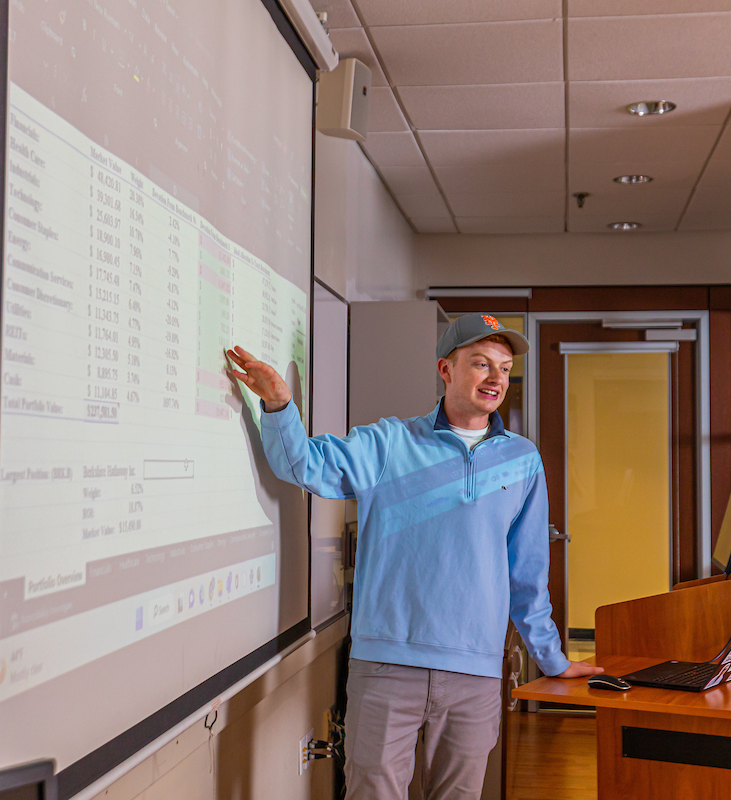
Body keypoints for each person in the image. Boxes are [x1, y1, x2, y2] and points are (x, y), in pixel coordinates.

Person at [226, 312, 601, 800]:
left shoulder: (522, 460)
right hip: (385, 667)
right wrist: (279, 405)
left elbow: (527, 574)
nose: (495, 379)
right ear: (445, 370)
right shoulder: (389, 442)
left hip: (475, 672)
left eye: (505, 369)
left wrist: (550, 658)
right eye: (481, 364)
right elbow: (306, 465)